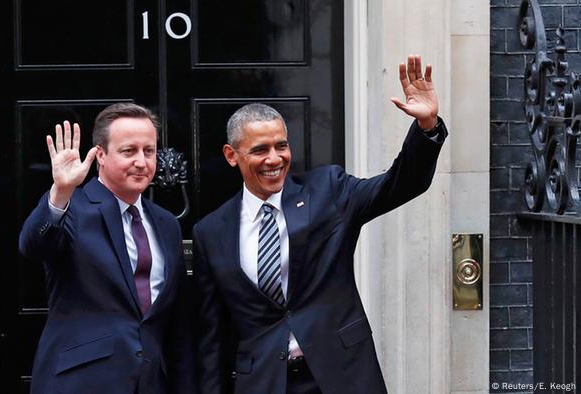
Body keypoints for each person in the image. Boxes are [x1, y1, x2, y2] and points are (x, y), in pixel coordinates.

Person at [192, 55, 448, 394]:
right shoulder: (210, 232)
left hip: (342, 374)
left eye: (281, 146)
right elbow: (210, 337)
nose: (274, 159)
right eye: (260, 150)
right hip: (264, 382)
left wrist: (426, 128)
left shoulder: (329, 190)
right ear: (231, 155)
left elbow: (401, 183)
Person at [19, 103, 195, 394]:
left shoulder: (166, 224)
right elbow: (33, 246)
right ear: (100, 154)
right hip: (82, 382)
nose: (142, 161)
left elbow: (176, 321)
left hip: (152, 382)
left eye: (149, 151)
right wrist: (61, 192)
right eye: (129, 151)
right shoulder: (72, 208)